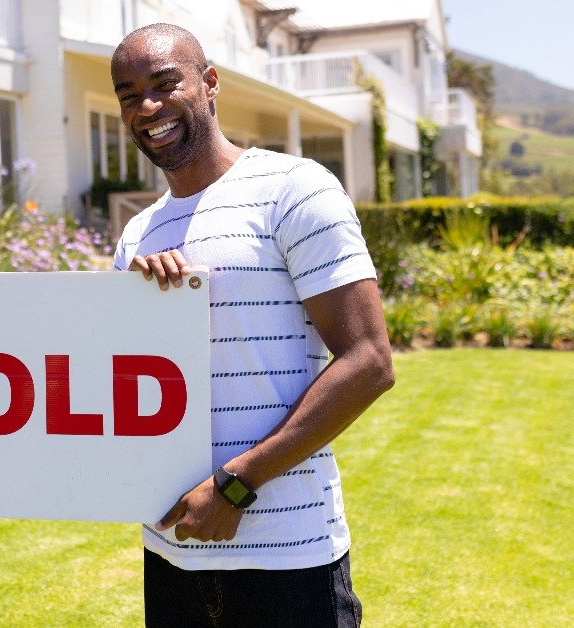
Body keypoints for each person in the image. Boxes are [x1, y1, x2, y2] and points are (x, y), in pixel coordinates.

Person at [110, 24, 396, 626]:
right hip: (171, 552)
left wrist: (235, 484)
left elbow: (368, 361)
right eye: (129, 94)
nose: (148, 108)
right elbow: (119, 389)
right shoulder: (138, 235)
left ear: (210, 83)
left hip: (289, 559)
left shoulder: (294, 189)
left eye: (165, 85)